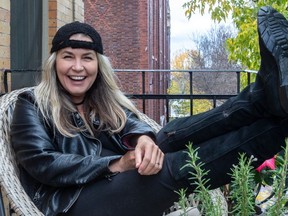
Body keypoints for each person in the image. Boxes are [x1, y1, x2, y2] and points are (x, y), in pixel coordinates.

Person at [10, 5, 288, 216]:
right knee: (170, 167)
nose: (78, 67)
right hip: (71, 202)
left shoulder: (98, 100)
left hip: (112, 182)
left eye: (87, 58)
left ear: (99, 65)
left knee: (167, 135)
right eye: (68, 57)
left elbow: (129, 121)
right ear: (54, 63)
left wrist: (144, 140)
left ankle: (266, 103)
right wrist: (116, 163)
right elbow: (43, 164)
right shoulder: (31, 104)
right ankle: (268, 104)